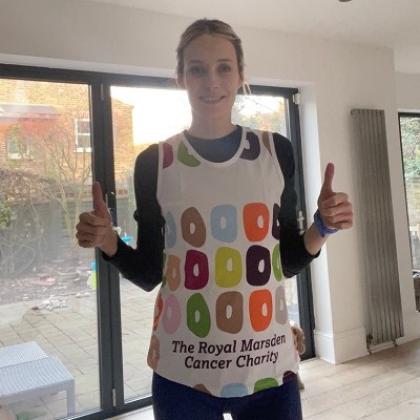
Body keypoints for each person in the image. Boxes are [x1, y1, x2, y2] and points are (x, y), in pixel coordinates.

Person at [76, 18, 353, 420]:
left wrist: (324, 225)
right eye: (197, 69)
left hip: (269, 370)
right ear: (180, 78)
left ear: (241, 75)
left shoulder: (275, 151)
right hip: (182, 372)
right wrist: (109, 244)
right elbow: (152, 272)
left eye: (224, 67)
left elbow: (287, 259)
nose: (212, 81)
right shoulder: (156, 162)